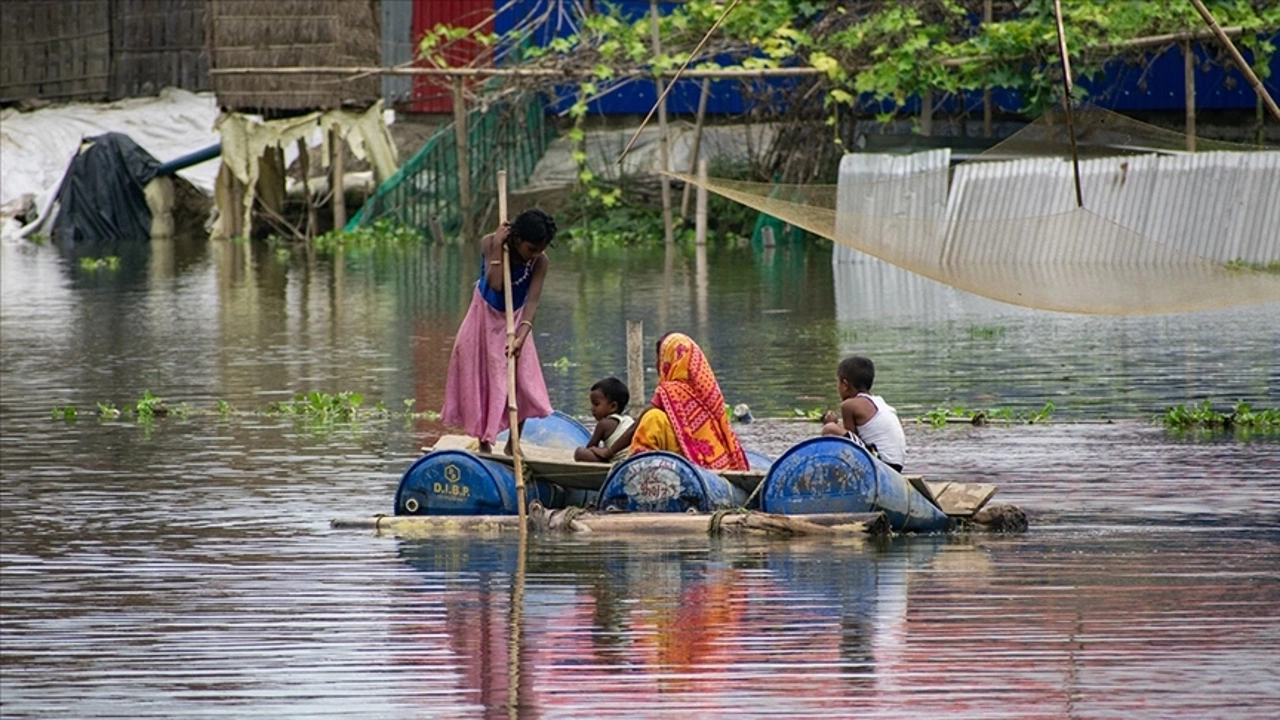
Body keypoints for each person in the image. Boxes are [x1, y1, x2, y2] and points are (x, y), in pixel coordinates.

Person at [441, 209, 557, 454]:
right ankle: (484, 442)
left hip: (516, 320)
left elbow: (533, 301)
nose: (534, 255)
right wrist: (496, 247)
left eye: (539, 249)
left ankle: (514, 442)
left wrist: (522, 335)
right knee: (481, 377)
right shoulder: (490, 243)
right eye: (531, 249)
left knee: (523, 380)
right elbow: (496, 283)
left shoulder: (540, 261)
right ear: (516, 239)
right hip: (483, 317)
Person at [616, 332, 749, 471]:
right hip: (720, 461)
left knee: (652, 418)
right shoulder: (704, 390)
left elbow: (640, 421)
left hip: (694, 464)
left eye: (660, 358)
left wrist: (609, 451)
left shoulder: (672, 390)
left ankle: (641, 468)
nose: (657, 364)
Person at [821, 355, 907, 472]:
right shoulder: (878, 401)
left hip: (882, 464)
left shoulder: (848, 405)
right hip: (896, 465)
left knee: (830, 429)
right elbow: (856, 439)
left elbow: (850, 446)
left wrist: (832, 423)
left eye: (838, 383)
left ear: (845, 385)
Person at [573, 377, 635, 463]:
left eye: (596, 404)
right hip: (633, 458)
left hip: (618, 461)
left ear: (613, 406)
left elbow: (590, 447)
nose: (592, 409)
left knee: (580, 452)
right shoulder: (629, 420)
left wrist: (598, 450)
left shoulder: (604, 424)